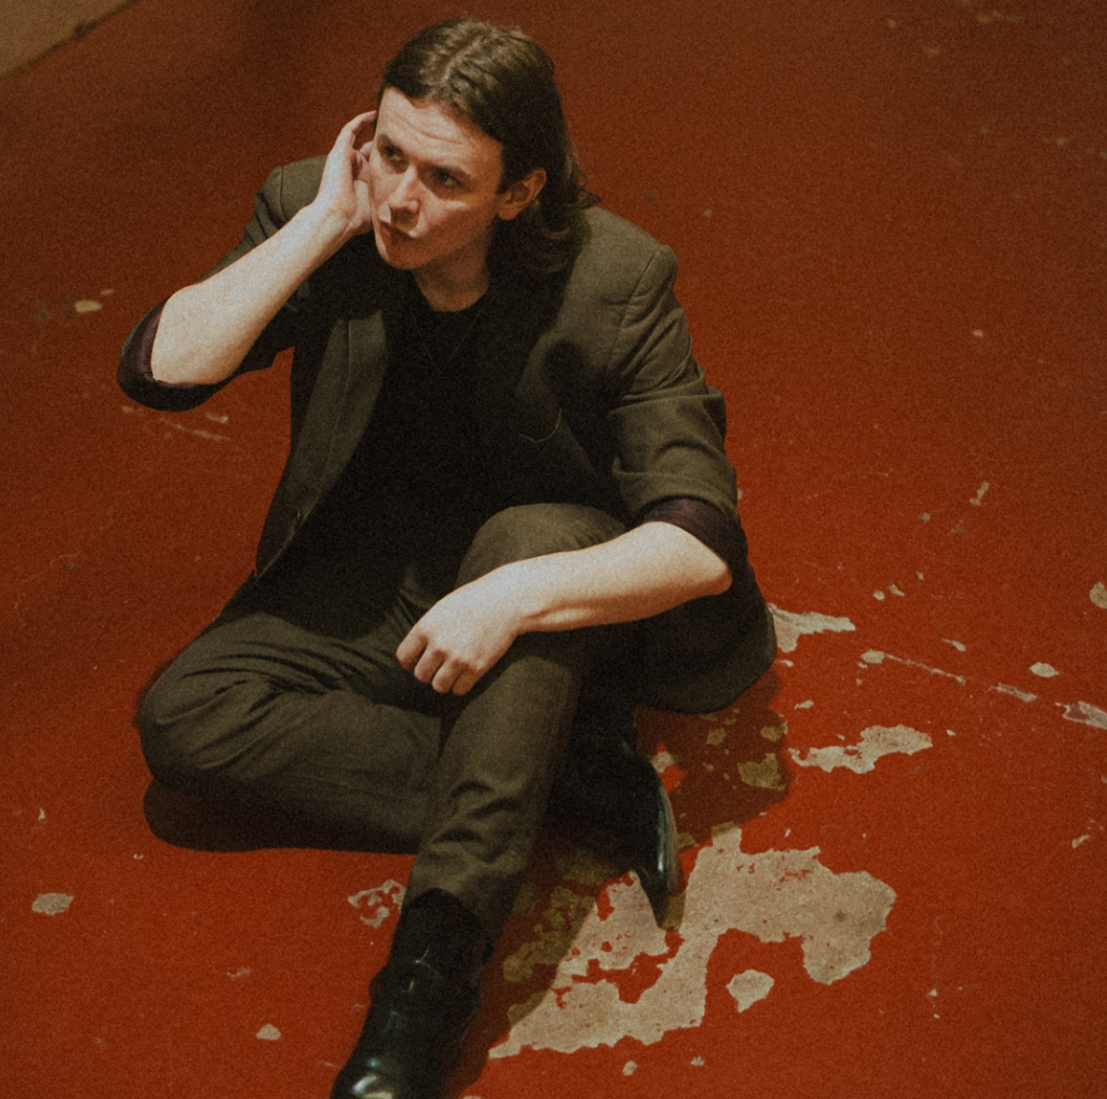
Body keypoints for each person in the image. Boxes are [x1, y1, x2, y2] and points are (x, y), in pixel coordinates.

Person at [117, 18, 774, 1099]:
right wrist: (319, 225)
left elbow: (701, 540)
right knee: (183, 719)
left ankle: (423, 985)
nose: (398, 199)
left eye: (443, 179)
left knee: (527, 532)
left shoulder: (615, 278)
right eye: (387, 153)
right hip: (381, 572)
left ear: (519, 191)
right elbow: (158, 372)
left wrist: (510, 596)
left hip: (550, 575)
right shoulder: (326, 211)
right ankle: (560, 775)